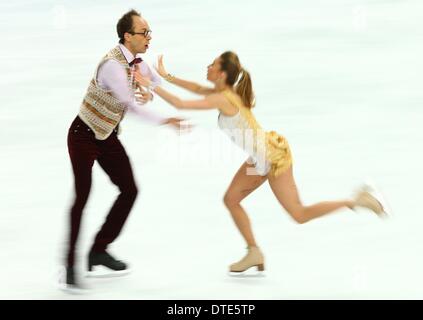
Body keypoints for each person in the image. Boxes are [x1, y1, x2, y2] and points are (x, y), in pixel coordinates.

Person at [134, 51, 386, 274]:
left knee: (299, 214)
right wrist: (166, 77)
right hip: (259, 158)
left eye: (212, 64)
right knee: (231, 200)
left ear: (221, 74)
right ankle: (254, 252)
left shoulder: (223, 98)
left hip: (274, 158)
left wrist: (151, 84)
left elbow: (180, 103)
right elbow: (199, 89)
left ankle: (358, 200)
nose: (207, 67)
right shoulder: (223, 92)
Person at [62, 9, 185, 289]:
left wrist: (150, 91)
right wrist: (166, 120)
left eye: (149, 32)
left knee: (129, 189)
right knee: (82, 197)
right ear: (127, 36)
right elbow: (130, 105)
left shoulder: (139, 63)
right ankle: (69, 265)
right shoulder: (112, 66)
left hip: (106, 136)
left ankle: (98, 249)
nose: (149, 37)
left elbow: (155, 84)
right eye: (144, 33)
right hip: (83, 135)